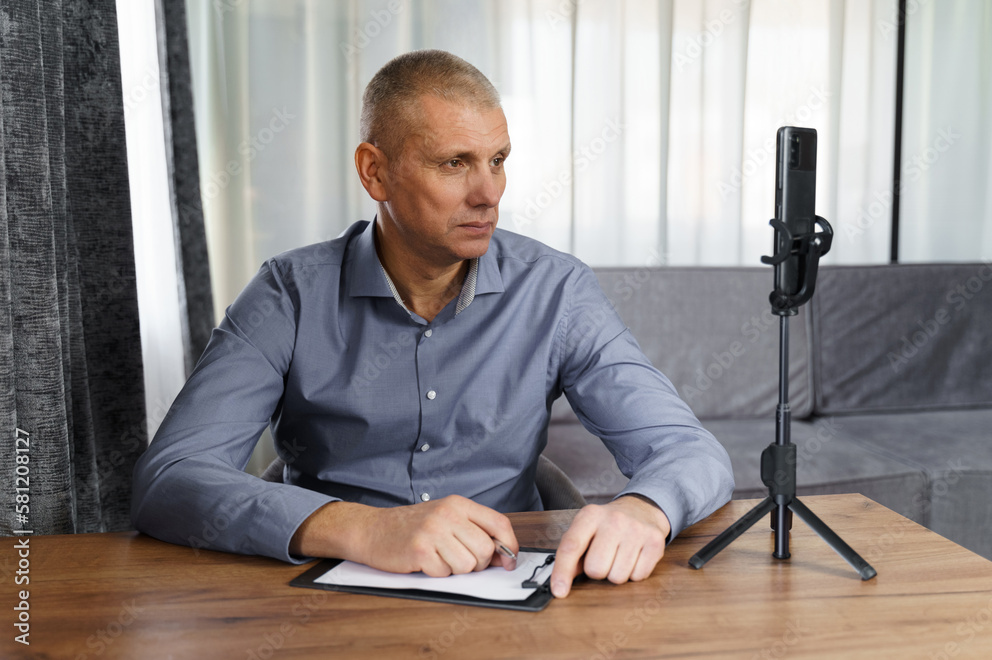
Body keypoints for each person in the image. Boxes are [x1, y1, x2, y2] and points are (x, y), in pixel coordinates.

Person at [131, 49, 734, 599]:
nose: (488, 194)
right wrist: (364, 529)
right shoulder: (287, 294)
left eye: (497, 161)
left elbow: (689, 451)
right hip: (320, 601)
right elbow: (170, 479)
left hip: (515, 592)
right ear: (375, 173)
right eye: (455, 164)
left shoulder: (557, 291)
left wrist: (644, 509)